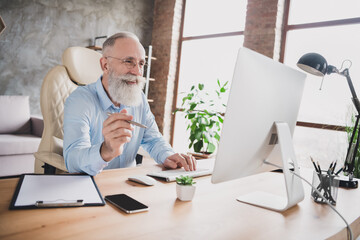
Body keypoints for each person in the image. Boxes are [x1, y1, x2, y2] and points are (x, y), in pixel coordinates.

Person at [63, 32, 196, 176]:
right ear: (105, 65)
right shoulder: (79, 100)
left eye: (141, 64)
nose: (138, 72)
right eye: (128, 61)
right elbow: (72, 161)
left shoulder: (140, 99)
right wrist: (105, 151)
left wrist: (168, 155)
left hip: (128, 182)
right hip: (94, 184)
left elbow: (153, 139)